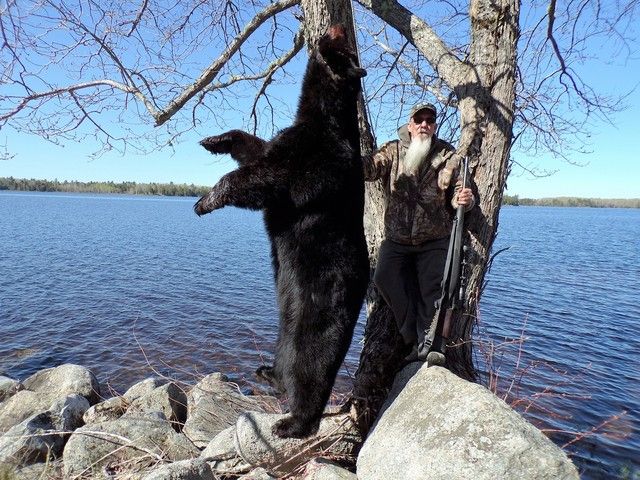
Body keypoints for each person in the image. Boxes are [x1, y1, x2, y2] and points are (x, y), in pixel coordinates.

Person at [363, 102, 475, 361]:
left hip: (433, 239)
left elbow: (461, 192)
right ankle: (409, 334)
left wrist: (464, 200)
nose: (424, 124)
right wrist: (343, 158)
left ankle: (426, 349)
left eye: (429, 120)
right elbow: (369, 168)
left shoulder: (447, 155)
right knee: (383, 277)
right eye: (419, 120)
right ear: (410, 125)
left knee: (433, 292)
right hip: (397, 239)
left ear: (434, 126)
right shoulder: (392, 150)